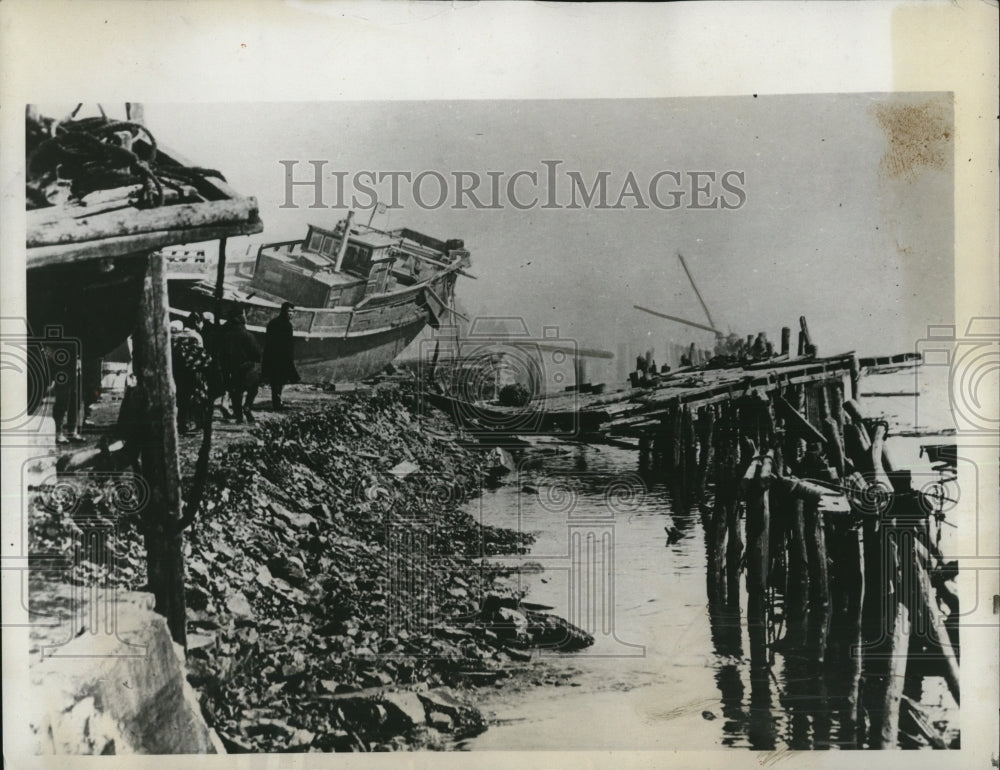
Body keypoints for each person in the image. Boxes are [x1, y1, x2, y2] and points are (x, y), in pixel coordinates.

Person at [218, 306, 261, 423]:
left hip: (232, 370)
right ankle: (247, 406)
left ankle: (239, 416)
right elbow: (257, 354)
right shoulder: (248, 335)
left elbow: (221, 355)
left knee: (236, 393)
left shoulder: (226, 336)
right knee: (253, 388)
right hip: (247, 369)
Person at [261, 301, 300, 410]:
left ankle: (277, 400)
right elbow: (287, 344)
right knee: (279, 380)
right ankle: (277, 402)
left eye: (293, 312)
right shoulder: (287, 325)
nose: (291, 314)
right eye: (289, 311)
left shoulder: (272, 323)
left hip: (272, 356)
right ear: (283, 311)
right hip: (281, 357)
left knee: (276, 380)